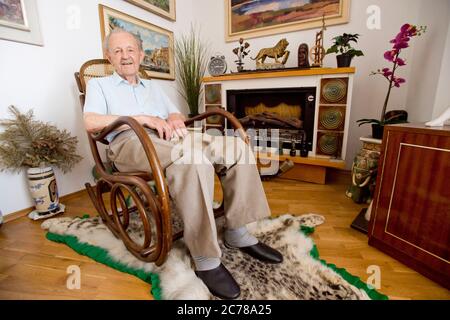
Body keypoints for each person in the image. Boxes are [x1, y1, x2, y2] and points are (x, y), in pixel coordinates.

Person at [83, 28, 283, 300]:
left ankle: (237, 231)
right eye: (117, 51)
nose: (125, 56)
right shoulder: (99, 85)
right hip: (129, 142)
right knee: (192, 160)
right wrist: (141, 118)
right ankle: (206, 258)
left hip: (168, 137)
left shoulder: (153, 86)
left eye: (130, 50)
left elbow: (173, 112)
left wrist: (176, 118)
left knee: (236, 146)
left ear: (141, 55)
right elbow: (91, 122)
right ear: (109, 57)